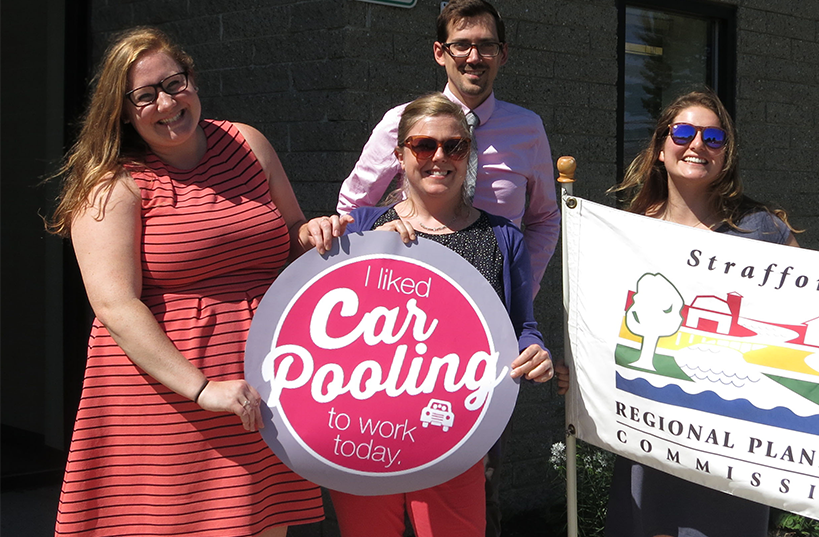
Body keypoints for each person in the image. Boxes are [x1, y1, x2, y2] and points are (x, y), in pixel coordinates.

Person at [554, 89, 819, 537]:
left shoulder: (761, 229)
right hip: (656, 433)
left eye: (714, 137)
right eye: (684, 132)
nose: (697, 145)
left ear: (727, 154)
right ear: (660, 147)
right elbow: (606, 323)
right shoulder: (629, 230)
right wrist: (579, 368)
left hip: (732, 446)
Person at [48, 27, 352, 537]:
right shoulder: (113, 184)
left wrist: (314, 231)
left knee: (263, 523)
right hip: (166, 397)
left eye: (174, 82)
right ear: (122, 112)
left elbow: (292, 238)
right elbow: (115, 306)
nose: (166, 102)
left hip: (261, 385)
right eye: (145, 96)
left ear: (193, 78)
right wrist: (203, 389)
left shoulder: (247, 143)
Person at [328, 92, 554, 537]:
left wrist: (536, 351)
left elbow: (521, 326)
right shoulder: (361, 228)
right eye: (423, 145)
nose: (439, 157)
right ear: (399, 154)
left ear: (469, 154)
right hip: (364, 428)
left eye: (455, 146)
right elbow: (322, 323)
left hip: (450, 429)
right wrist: (361, 245)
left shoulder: (502, 236)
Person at [337, 0, 559, 299]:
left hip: (492, 301)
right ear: (440, 53)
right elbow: (352, 208)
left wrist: (521, 289)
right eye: (461, 46)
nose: (474, 57)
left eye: (487, 45)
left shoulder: (528, 129)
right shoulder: (401, 122)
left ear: (503, 54)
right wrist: (372, 249)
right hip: (411, 292)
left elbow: (544, 218)